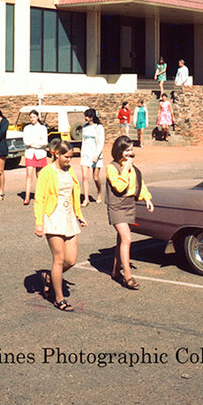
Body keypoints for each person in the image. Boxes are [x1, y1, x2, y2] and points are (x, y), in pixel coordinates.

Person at [34, 140, 87, 311]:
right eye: (66, 156)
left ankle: (49, 278)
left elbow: (74, 194)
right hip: (53, 216)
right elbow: (40, 199)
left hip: (69, 216)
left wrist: (79, 215)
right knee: (59, 259)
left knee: (70, 260)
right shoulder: (46, 173)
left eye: (71, 157)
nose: (69, 160)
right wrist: (39, 223)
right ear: (56, 154)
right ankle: (59, 298)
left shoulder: (69, 170)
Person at [105, 136, 153, 289]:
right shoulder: (112, 167)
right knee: (127, 238)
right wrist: (125, 168)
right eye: (127, 150)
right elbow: (119, 186)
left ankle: (115, 271)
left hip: (129, 205)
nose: (130, 153)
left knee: (121, 240)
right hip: (117, 206)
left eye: (131, 150)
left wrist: (147, 198)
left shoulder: (133, 168)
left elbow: (139, 183)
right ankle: (127, 275)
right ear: (119, 151)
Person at [21, 109, 49, 205]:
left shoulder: (42, 128)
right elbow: (26, 141)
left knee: (40, 176)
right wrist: (35, 142)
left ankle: (43, 196)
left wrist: (34, 143)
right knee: (29, 175)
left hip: (40, 154)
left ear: (37, 117)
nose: (32, 119)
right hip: (30, 154)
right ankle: (27, 197)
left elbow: (44, 142)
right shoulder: (27, 128)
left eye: (34, 117)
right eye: (31, 117)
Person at [80, 108, 105, 206]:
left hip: (95, 155)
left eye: (87, 116)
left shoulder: (99, 127)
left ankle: (99, 193)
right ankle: (86, 199)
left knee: (95, 177)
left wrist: (96, 155)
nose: (85, 118)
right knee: (85, 177)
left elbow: (100, 142)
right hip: (85, 154)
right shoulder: (84, 127)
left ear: (92, 117)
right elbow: (83, 141)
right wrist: (82, 154)